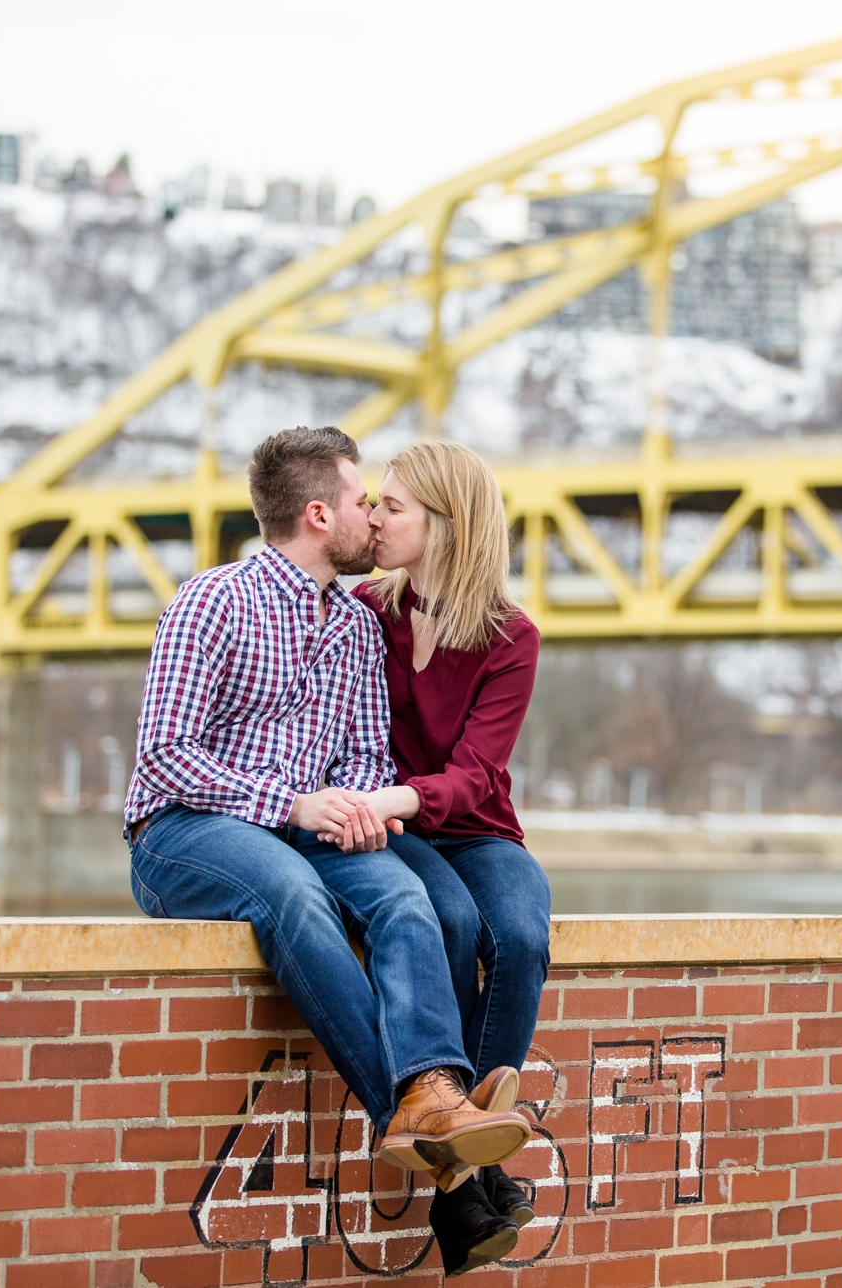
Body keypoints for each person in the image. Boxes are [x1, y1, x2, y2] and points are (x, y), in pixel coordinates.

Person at [122, 425, 529, 1190]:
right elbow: (163, 758)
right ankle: (415, 1111)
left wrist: (357, 807)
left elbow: (366, 756)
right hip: (181, 832)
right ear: (318, 515)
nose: (371, 514)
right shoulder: (212, 600)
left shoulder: (353, 626)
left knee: (407, 896)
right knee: (293, 893)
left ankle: (435, 1097)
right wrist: (295, 802)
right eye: (360, 498)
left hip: (305, 832)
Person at [344, 440, 551, 1276]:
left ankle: (460, 1173)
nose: (375, 516)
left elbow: (474, 775)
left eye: (393, 506)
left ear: (447, 526)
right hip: (400, 837)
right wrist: (387, 809)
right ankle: (475, 1175)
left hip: (475, 826)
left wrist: (396, 798)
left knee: (522, 934)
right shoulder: (365, 608)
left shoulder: (511, 635)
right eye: (378, 502)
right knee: (453, 920)